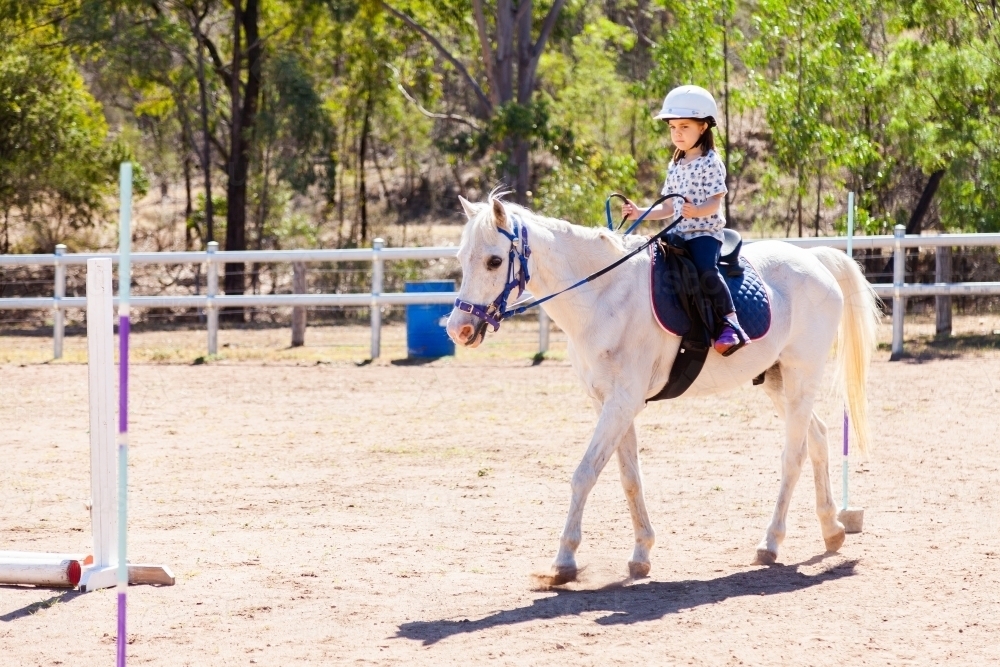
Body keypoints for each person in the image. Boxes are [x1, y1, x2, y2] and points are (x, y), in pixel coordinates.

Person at [622, 84, 749, 356]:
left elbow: (716, 200)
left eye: (684, 127)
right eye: (672, 128)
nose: (677, 133)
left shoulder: (711, 162)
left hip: (704, 233)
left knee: (706, 270)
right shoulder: (675, 165)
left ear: (703, 127)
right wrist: (639, 212)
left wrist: (698, 210)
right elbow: (668, 207)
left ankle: (730, 322)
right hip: (678, 234)